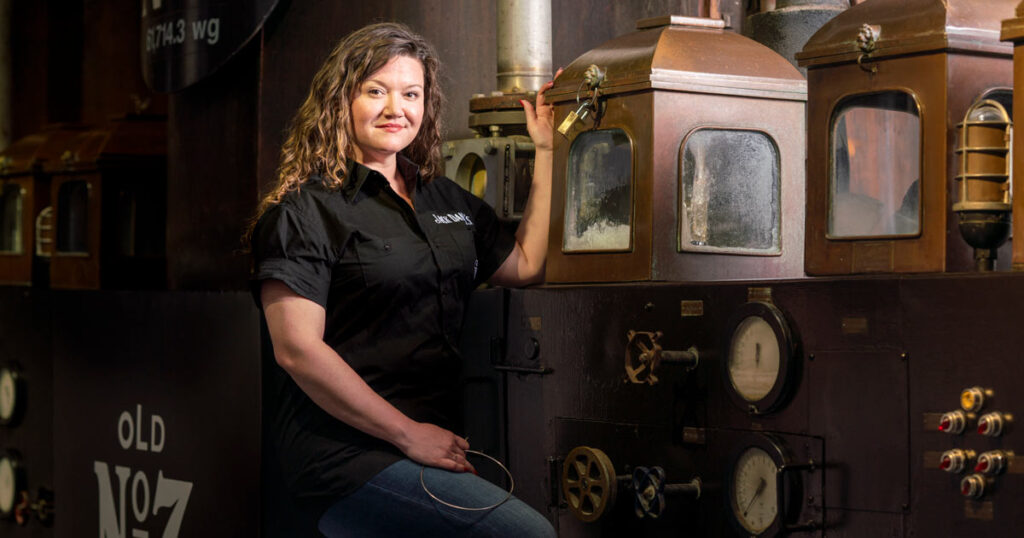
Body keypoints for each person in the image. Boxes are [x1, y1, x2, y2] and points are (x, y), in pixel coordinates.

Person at [248, 22, 557, 537]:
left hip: (433, 443)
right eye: (376, 91)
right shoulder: (304, 211)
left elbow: (525, 264)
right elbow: (297, 350)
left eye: (411, 93)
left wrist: (547, 153)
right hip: (346, 457)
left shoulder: (444, 199)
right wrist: (410, 436)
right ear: (339, 101)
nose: (397, 109)